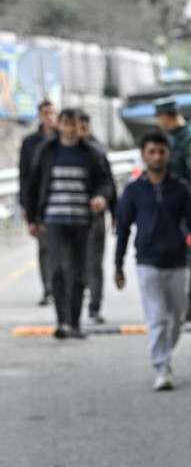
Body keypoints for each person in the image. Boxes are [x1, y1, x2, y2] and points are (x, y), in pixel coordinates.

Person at [114, 131, 191, 391]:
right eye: (151, 152)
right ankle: (162, 367)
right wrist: (118, 265)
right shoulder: (133, 191)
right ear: (143, 155)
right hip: (147, 262)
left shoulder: (180, 189)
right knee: (157, 318)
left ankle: (165, 350)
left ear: (168, 154)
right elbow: (123, 230)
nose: (156, 156)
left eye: (161, 151)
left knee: (176, 318)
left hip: (177, 262)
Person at [23, 108, 114, 339]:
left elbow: (106, 181)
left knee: (79, 272)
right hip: (54, 220)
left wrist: (101, 198)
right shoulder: (47, 150)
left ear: (79, 126)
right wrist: (33, 217)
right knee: (58, 269)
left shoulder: (91, 153)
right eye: (65, 124)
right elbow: (33, 184)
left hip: (82, 221)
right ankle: (61, 321)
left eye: (74, 124)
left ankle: (75, 322)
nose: (70, 129)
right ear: (59, 125)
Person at [154, 99, 191, 321]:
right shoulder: (169, 138)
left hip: (186, 205)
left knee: (190, 253)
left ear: (166, 116)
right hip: (168, 206)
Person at [18, 99, 58, 306]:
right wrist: (26, 205)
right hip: (40, 202)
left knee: (64, 248)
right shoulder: (31, 142)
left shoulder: (66, 139)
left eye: (52, 112)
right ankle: (48, 289)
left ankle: (69, 286)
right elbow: (25, 176)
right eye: (45, 112)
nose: (49, 116)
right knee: (45, 248)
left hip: (62, 199)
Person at [79, 111, 117, 324]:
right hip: (70, 218)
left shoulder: (97, 151)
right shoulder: (59, 150)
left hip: (94, 217)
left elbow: (107, 182)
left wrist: (112, 211)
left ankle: (95, 305)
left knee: (95, 263)